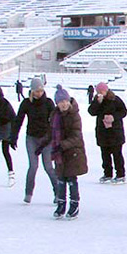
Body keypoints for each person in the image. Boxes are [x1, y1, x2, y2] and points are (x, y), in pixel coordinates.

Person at [38, 85, 88, 220]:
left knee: (71, 179)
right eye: (60, 102)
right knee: (61, 180)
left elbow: (76, 136)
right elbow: (51, 133)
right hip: (60, 154)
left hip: (73, 153)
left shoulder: (74, 116)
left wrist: (62, 145)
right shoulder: (55, 115)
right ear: (57, 103)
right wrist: (41, 145)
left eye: (65, 101)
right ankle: (61, 204)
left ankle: (74, 205)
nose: (63, 104)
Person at [11, 78, 58, 204]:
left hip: (46, 139)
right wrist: (13, 136)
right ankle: (28, 193)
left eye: (41, 90)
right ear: (32, 91)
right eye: (36, 91)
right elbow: (18, 120)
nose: (39, 93)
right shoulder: (26, 103)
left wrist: (53, 138)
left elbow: (54, 122)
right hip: (31, 138)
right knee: (33, 166)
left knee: (48, 167)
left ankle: (58, 192)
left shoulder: (48, 103)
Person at [88, 82, 127, 184]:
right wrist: (97, 102)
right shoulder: (97, 100)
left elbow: (123, 111)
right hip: (102, 132)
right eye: (99, 91)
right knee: (105, 155)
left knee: (117, 154)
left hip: (115, 132)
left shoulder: (115, 99)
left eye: (102, 91)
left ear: (107, 90)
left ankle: (120, 174)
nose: (101, 93)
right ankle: (107, 174)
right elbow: (91, 112)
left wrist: (114, 117)